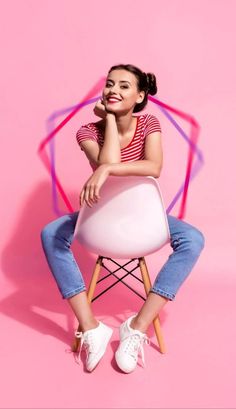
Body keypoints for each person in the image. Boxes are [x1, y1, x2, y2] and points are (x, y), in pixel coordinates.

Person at [41, 63, 205, 374]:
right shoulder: (87, 130)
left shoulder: (150, 124)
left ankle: (137, 326)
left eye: (124, 86)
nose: (113, 90)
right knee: (51, 234)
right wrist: (112, 125)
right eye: (110, 84)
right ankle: (91, 327)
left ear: (141, 95)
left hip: (143, 217)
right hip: (99, 216)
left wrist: (104, 170)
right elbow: (111, 161)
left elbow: (153, 167)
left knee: (193, 239)